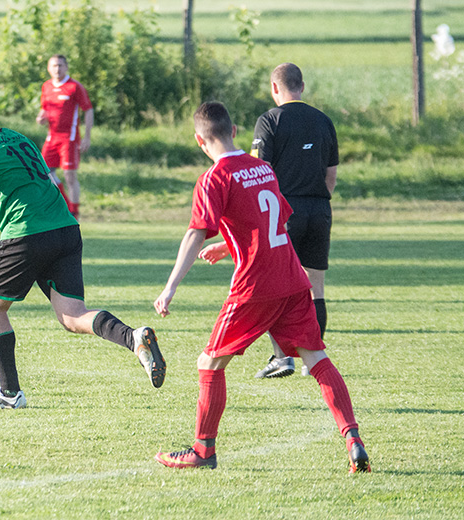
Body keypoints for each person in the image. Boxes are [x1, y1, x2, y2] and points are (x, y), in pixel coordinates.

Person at [153, 102, 369, 473]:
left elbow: (193, 232)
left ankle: (203, 451)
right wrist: (228, 243)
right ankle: (353, 440)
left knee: (209, 363)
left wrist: (170, 286)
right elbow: (276, 218)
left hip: (255, 286)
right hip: (292, 277)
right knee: (316, 359)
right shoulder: (262, 167)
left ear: (199, 141)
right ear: (234, 130)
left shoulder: (213, 178)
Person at [0, 96, 164, 409]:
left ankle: (9, 394)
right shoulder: (20, 138)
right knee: (72, 316)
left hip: (25, 233)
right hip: (65, 228)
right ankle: (133, 337)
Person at [202, 63, 339, 379]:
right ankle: (311, 359)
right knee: (314, 283)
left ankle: (283, 359)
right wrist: (318, 201)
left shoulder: (270, 120)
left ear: (274, 88)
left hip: (281, 212)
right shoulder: (324, 120)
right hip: (320, 209)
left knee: (276, 281)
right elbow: (330, 174)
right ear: (301, 86)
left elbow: (258, 173)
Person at [36, 54, 94, 220]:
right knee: (44, 172)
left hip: (69, 137)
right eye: (54, 66)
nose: (57, 69)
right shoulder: (46, 86)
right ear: (48, 68)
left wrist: (87, 137)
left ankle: (74, 211)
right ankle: (66, 205)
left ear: (66, 67)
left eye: (60, 65)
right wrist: (41, 117)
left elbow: (88, 109)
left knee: (70, 176)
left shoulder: (74, 87)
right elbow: (45, 108)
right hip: (52, 137)